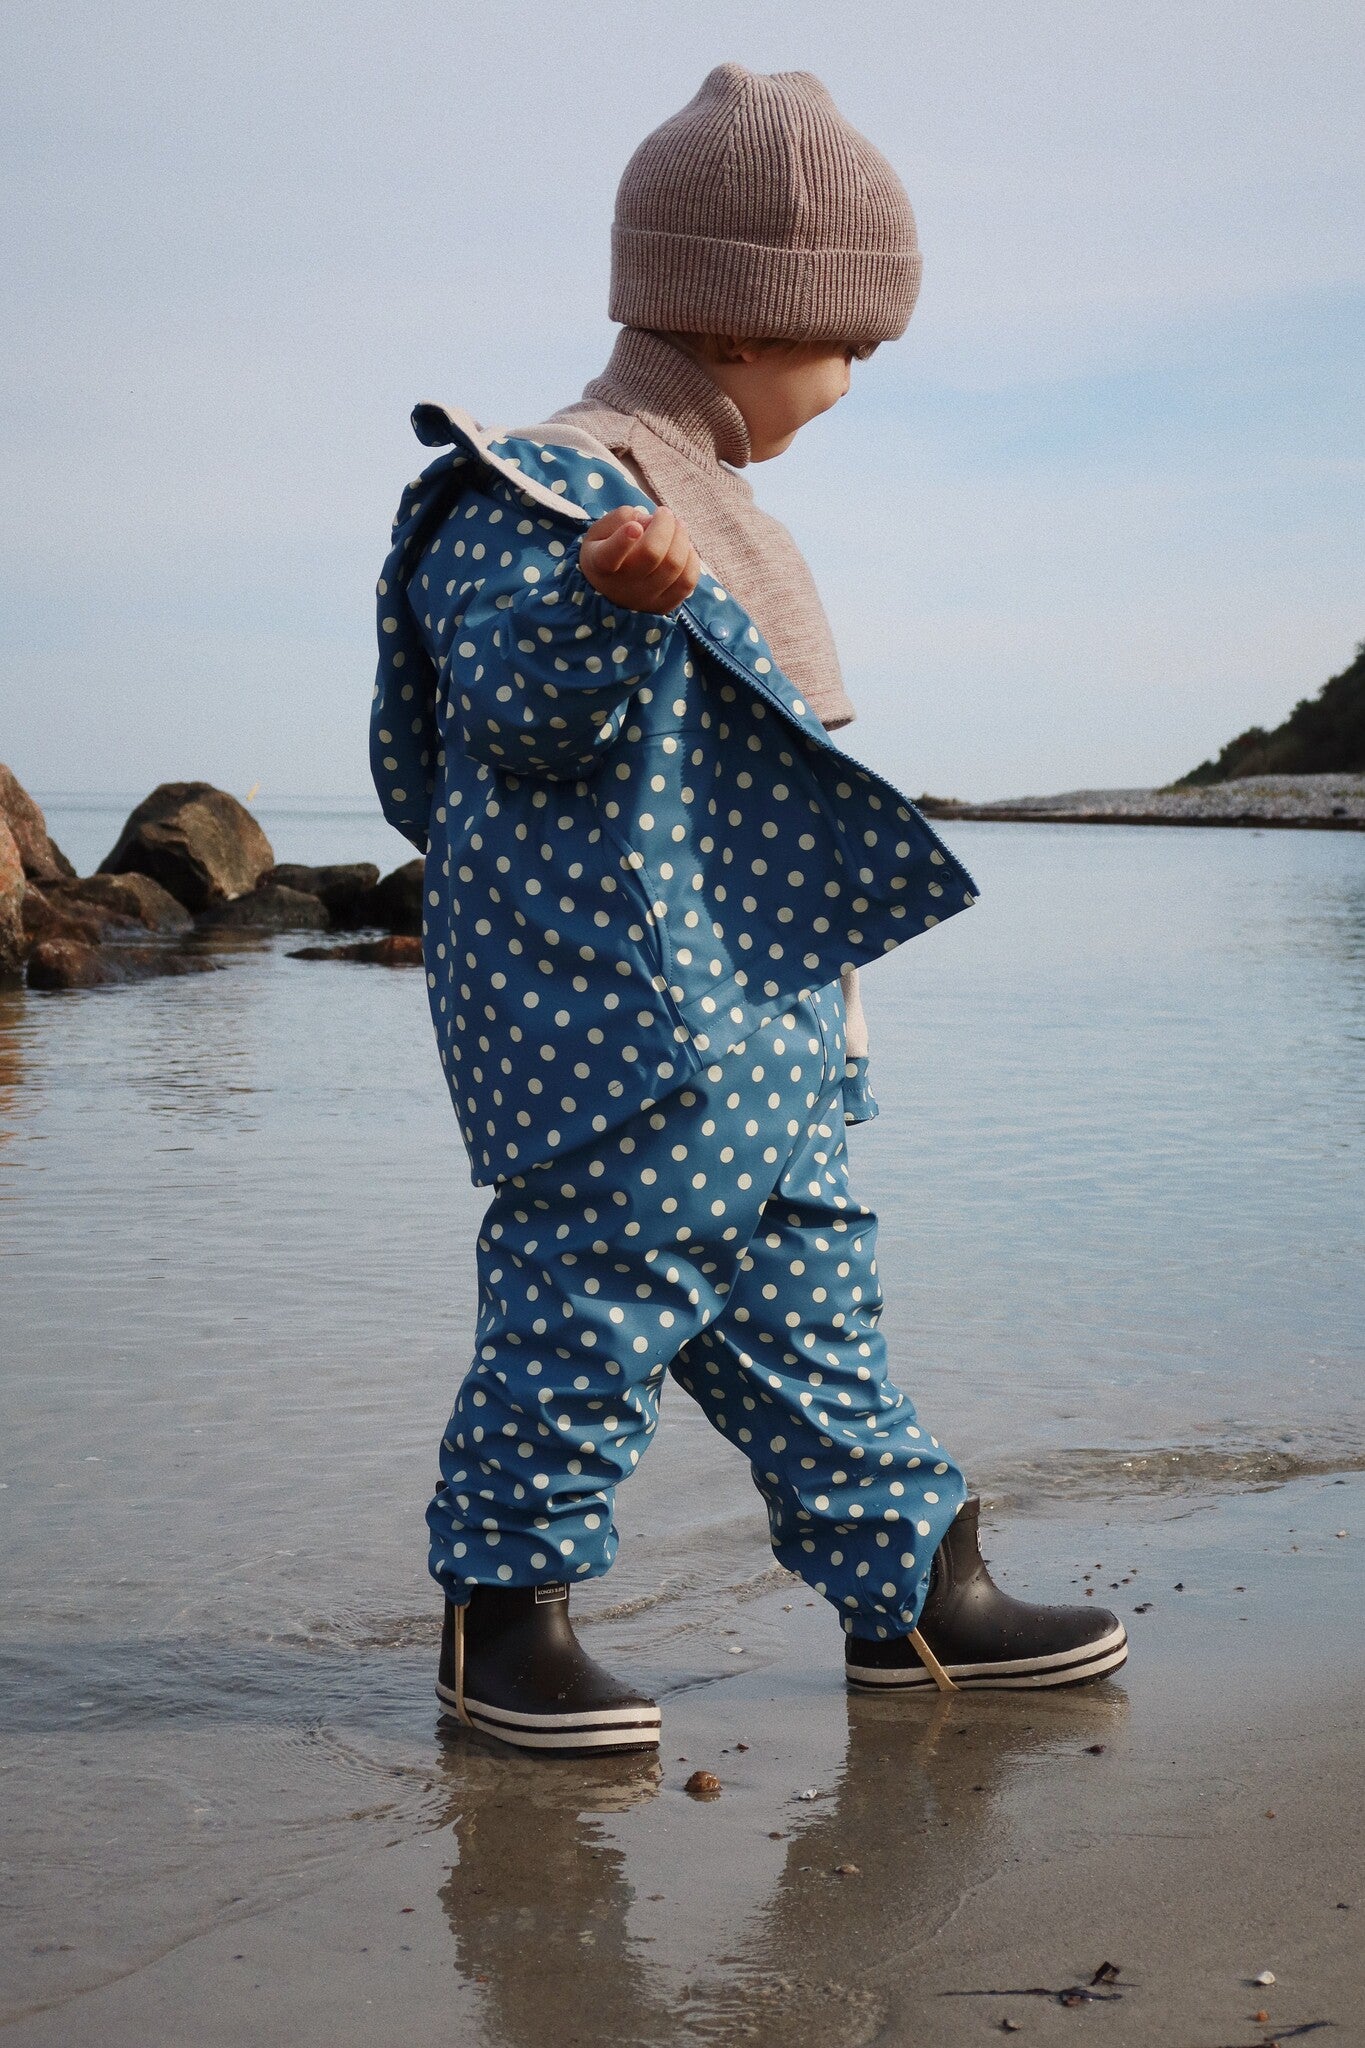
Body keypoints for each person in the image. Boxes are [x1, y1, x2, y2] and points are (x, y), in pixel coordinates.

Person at [371, 64, 1126, 1754]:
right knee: (592, 1298)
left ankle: (913, 1594)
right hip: (626, 1024)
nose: (851, 381)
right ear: (738, 317)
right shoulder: (544, 490)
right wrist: (600, 604)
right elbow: (512, 714)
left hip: (762, 1019)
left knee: (810, 1309)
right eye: (846, 344)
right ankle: (502, 1619)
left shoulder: (711, 502)